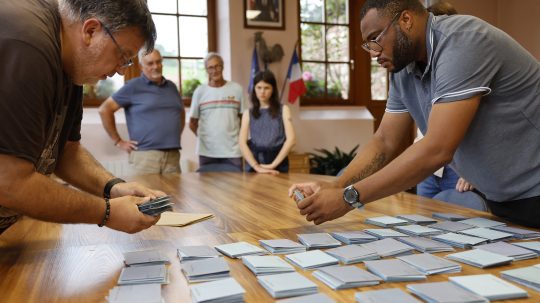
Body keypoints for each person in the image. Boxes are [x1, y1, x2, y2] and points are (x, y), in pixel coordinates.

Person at [289, 0, 540, 228]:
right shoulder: (402, 69)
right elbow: (385, 141)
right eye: (367, 44)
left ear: (406, 20)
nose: (373, 53)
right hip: (503, 200)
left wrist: (348, 198)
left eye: (375, 38)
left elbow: (437, 149)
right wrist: (335, 186)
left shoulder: (463, 40)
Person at [0, 0, 165, 235]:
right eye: (122, 56)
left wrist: (115, 188)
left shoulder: (73, 60)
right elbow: (9, 182)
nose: (121, 69)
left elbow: (67, 151)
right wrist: (107, 212)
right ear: (90, 31)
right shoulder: (28, 43)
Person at [416, 0, 473, 198]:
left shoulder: (467, 69)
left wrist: (475, 174)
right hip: (427, 167)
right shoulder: (419, 68)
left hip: (459, 169)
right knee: (421, 218)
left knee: (457, 221)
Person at [98, 49, 185, 175]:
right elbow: (105, 109)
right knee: (144, 195)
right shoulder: (133, 86)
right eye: (150, 63)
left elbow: (180, 112)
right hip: (145, 157)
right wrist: (118, 141)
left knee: (174, 195)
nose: (156, 66)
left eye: (158, 62)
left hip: (173, 156)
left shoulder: (172, 87)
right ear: (141, 66)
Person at [189, 52, 246, 171]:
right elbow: (192, 123)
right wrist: (204, 138)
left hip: (233, 152)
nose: (214, 70)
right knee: (207, 188)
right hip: (207, 152)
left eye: (217, 66)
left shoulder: (237, 89)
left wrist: (239, 139)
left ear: (222, 67)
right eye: (210, 67)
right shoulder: (200, 92)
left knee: (236, 187)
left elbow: (244, 119)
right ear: (206, 70)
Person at [239, 70, 296, 174]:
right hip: (255, 163)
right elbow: (242, 143)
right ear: (254, 89)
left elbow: (291, 140)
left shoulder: (284, 109)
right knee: (253, 190)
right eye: (259, 87)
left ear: (273, 89)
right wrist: (256, 167)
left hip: (278, 162)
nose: (262, 92)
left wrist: (273, 165)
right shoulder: (248, 113)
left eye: (266, 88)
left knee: (285, 190)